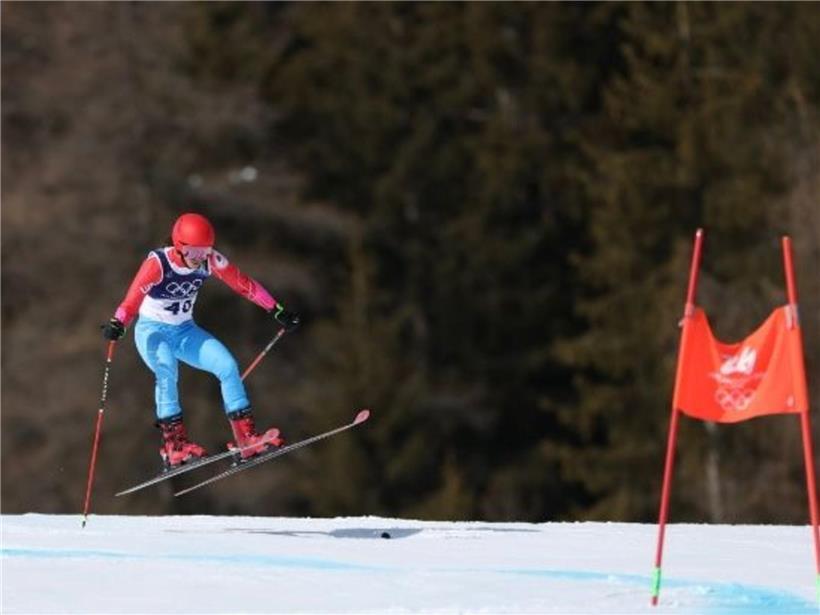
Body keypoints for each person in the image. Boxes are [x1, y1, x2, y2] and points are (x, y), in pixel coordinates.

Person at [102, 212, 300, 469]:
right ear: (180, 246)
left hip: (185, 331)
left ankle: (246, 440)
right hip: (152, 332)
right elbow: (131, 301)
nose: (201, 257)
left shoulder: (211, 261)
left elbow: (244, 285)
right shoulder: (158, 263)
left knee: (227, 365)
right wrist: (118, 323)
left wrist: (277, 309)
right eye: (195, 251)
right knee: (166, 370)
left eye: (206, 250)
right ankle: (174, 447)